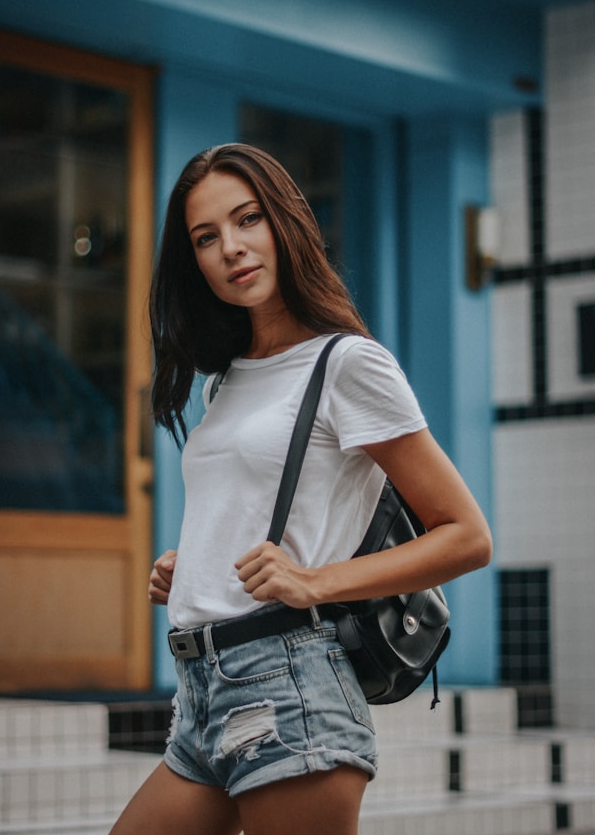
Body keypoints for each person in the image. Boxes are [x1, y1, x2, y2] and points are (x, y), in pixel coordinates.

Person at [110, 143, 492, 835]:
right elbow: (261, 507)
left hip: (288, 686)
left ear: (284, 222)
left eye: (247, 219)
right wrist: (194, 562)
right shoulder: (222, 379)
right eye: (206, 237)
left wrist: (316, 582)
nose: (231, 247)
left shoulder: (347, 365)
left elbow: (466, 535)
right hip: (201, 692)